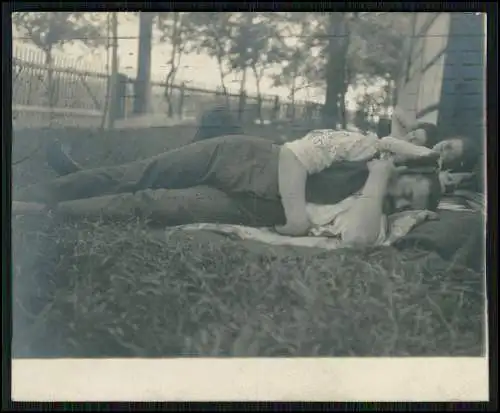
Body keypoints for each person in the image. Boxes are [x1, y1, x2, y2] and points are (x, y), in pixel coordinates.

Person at [15, 132, 442, 245]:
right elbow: (296, 156)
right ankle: (39, 194)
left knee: (153, 203)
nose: (401, 199)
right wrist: (296, 217)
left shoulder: (371, 213)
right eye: (408, 188)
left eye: (408, 202)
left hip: (249, 208)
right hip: (243, 158)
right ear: (405, 172)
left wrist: (379, 183)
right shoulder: (362, 147)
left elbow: (357, 240)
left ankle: (40, 213)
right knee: (142, 174)